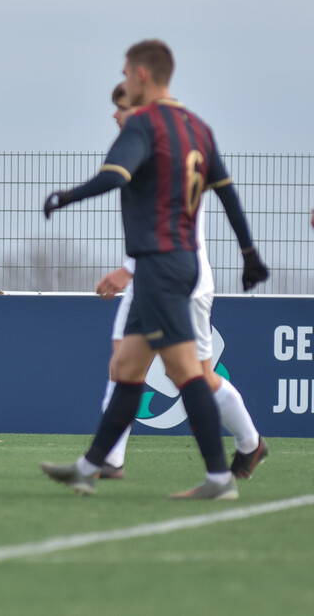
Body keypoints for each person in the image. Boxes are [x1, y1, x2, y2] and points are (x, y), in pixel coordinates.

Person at [41, 39, 269, 499]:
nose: (123, 82)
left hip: (162, 266)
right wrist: (249, 254)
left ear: (142, 75)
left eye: (125, 74)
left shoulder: (144, 123)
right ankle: (89, 466)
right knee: (126, 366)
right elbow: (225, 192)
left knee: (188, 373)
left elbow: (114, 177)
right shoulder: (197, 127)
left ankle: (221, 478)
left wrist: (65, 196)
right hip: (175, 264)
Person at [95, 83, 267, 481]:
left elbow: (166, 226)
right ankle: (110, 459)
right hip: (154, 276)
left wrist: (128, 269)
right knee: (123, 363)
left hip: (179, 278)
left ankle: (247, 444)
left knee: (194, 376)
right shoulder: (155, 144)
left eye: (121, 106)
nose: (115, 115)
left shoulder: (162, 148)